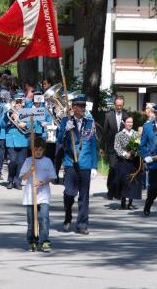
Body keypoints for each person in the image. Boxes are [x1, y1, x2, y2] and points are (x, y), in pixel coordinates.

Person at [56, 94, 98, 235]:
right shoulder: (65, 121)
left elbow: (93, 145)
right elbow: (59, 140)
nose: (82, 108)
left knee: (84, 196)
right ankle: (68, 216)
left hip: (85, 163)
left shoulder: (90, 123)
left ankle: (82, 225)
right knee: (69, 193)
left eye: (84, 106)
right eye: (80, 106)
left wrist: (94, 166)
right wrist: (65, 130)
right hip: (70, 162)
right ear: (73, 108)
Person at [19, 139, 56, 252]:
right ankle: (32, 241)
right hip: (31, 196)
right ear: (32, 150)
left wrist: (43, 182)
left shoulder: (48, 161)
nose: (38, 152)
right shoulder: (28, 161)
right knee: (31, 221)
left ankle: (44, 241)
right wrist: (30, 170)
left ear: (43, 150)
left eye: (40, 149)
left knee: (44, 218)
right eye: (36, 149)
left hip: (43, 195)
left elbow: (53, 178)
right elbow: (23, 178)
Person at [114, 116, 142, 209]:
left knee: (133, 181)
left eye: (131, 122)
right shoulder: (119, 135)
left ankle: (130, 200)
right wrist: (126, 154)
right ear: (124, 123)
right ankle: (123, 198)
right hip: (124, 161)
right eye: (128, 122)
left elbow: (140, 146)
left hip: (134, 161)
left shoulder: (136, 134)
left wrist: (135, 152)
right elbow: (117, 147)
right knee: (124, 181)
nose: (130, 124)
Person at [102, 95, 127, 199]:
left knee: (121, 170)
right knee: (113, 168)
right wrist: (102, 147)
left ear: (123, 105)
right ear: (114, 105)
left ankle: (119, 192)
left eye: (121, 106)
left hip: (123, 148)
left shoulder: (126, 116)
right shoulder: (108, 115)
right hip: (111, 147)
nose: (119, 107)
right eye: (117, 105)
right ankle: (110, 189)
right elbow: (104, 132)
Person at [5, 93, 29, 190]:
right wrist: (11, 118)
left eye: (20, 101)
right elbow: (2, 124)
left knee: (21, 162)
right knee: (13, 161)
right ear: (13, 102)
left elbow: (33, 125)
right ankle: (10, 180)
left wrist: (25, 124)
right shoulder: (8, 112)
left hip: (22, 138)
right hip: (12, 138)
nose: (19, 103)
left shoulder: (26, 112)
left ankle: (18, 181)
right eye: (17, 101)